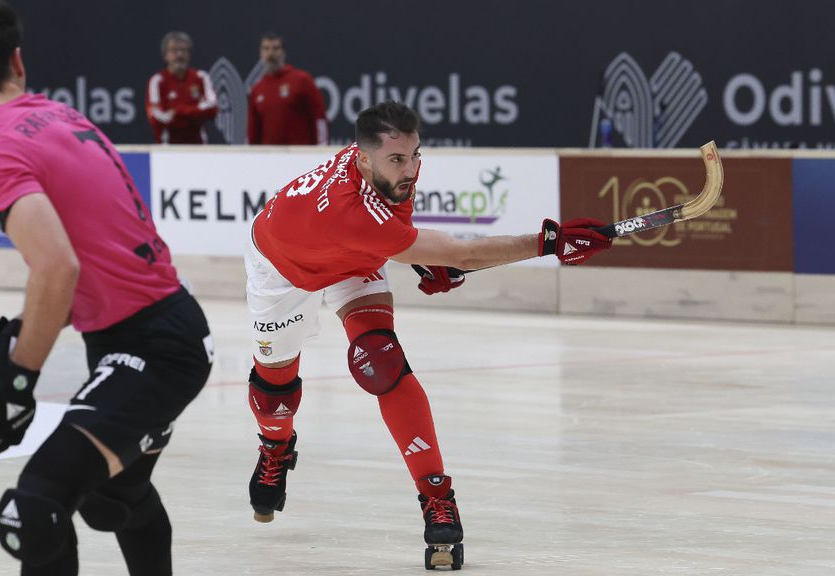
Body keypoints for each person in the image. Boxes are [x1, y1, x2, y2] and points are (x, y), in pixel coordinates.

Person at [243, 101, 612, 569]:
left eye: (416, 154)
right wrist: (551, 242)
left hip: (349, 257)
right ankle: (275, 447)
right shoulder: (352, 211)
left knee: (382, 360)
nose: (412, 169)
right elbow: (463, 253)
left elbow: (395, 230)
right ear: (362, 158)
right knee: (275, 386)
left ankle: (437, 495)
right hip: (280, 269)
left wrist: (417, 253)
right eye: (398, 160)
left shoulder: (384, 172)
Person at [0, 2, 213, 575]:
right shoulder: (63, 118)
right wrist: (16, 354)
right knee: (116, 500)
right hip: (162, 330)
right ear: (18, 61)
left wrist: (18, 379)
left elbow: (57, 269)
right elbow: (79, 266)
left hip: (152, 349)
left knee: (36, 506)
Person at [247, 32, 328, 146]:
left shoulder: (302, 80)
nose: (271, 53)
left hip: (300, 156)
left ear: (283, 52)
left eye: (275, 48)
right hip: (269, 158)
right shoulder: (257, 89)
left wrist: (321, 150)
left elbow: (319, 118)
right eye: (266, 49)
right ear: (260, 53)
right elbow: (253, 132)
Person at [145, 31, 218, 144]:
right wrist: (195, 112)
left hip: (198, 147)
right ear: (165, 55)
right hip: (167, 148)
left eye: (183, 50)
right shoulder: (158, 81)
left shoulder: (201, 77)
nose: (179, 55)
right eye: (174, 50)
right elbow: (155, 117)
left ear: (189, 54)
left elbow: (213, 108)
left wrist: (178, 112)